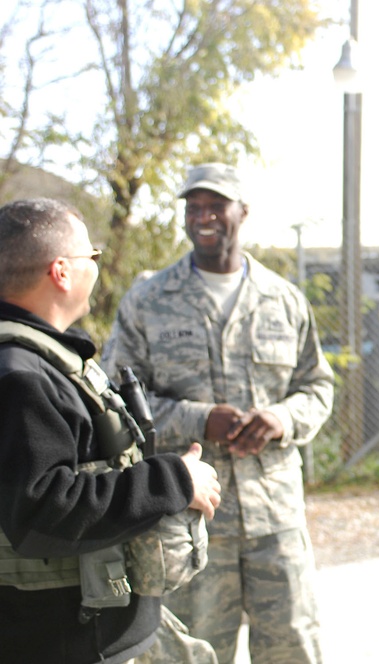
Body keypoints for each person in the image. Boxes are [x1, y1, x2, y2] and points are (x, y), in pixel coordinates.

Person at [103, 163, 335, 663]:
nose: (203, 217)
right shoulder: (148, 300)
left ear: (242, 213)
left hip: (276, 518)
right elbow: (115, 400)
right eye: (193, 207)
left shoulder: (284, 299)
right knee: (195, 652)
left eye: (215, 206)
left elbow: (316, 386)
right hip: (189, 519)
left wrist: (281, 420)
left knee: (294, 648)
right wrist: (197, 418)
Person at [0, 198, 222, 663]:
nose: (97, 269)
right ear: (60, 271)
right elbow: (44, 509)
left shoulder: (41, 362)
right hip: (64, 641)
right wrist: (176, 482)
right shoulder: (20, 376)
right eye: (91, 258)